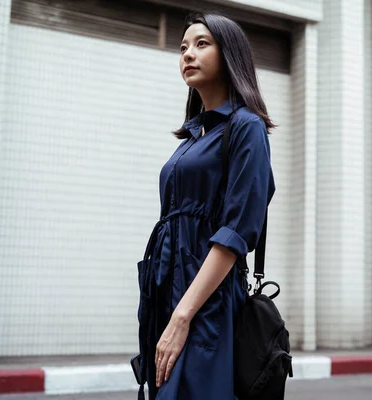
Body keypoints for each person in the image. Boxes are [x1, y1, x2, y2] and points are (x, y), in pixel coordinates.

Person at [136, 12, 276, 400]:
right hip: (168, 291)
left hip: (206, 302)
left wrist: (184, 315)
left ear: (229, 53)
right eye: (182, 48)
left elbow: (235, 234)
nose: (187, 55)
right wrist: (168, 309)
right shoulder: (193, 137)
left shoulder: (246, 128)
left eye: (201, 44)